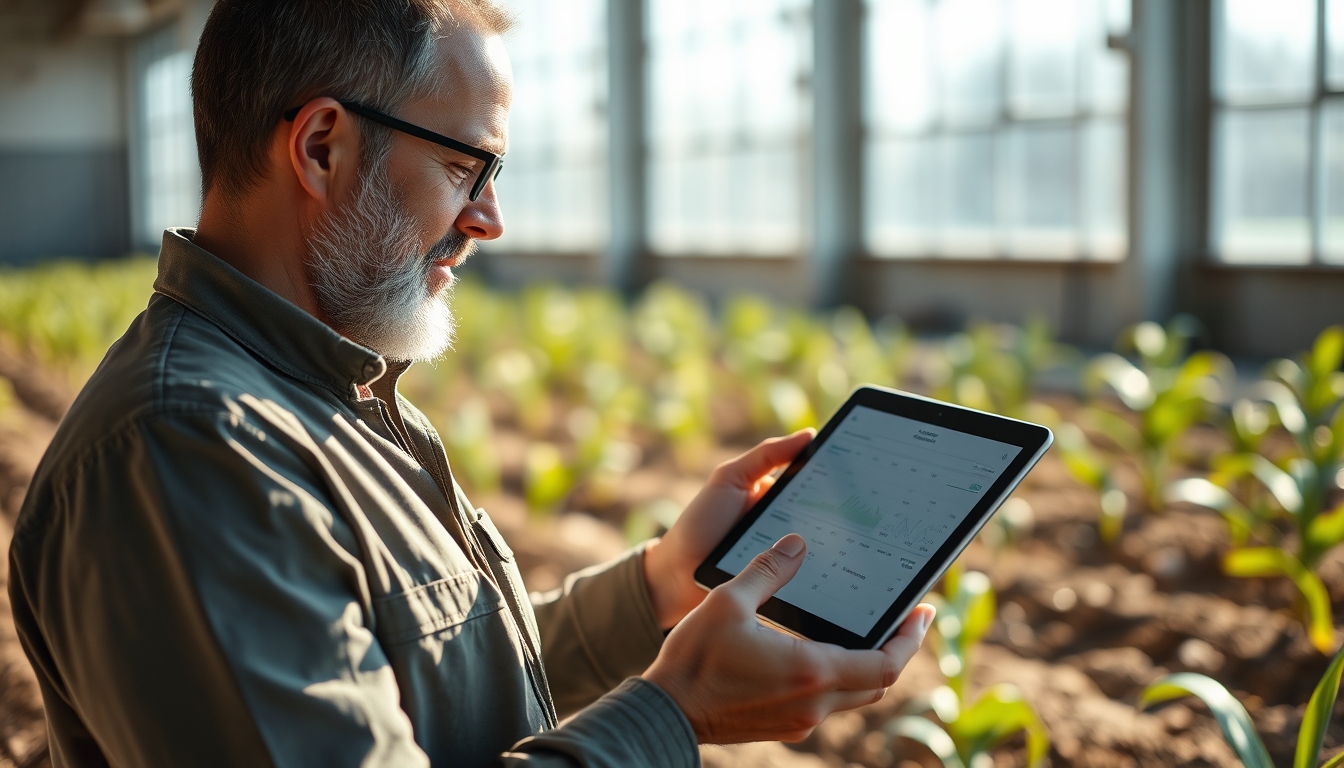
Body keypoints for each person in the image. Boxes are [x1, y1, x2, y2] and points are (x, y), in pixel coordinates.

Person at [8, 1, 935, 766]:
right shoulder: (188, 450)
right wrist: (673, 712)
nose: (489, 218)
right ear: (323, 148)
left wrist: (661, 585)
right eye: (465, 167)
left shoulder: (321, 389)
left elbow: (423, 677)